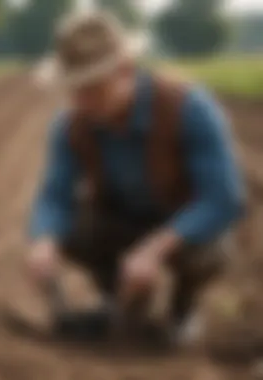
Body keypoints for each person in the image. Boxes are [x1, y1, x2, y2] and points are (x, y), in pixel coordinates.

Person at [26, 11, 246, 347]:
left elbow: (224, 199)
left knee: (209, 247)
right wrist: (44, 240)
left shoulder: (189, 108)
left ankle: (182, 312)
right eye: (75, 89)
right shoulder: (71, 125)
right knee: (69, 228)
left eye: (93, 88)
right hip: (120, 218)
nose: (82, 101)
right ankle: (118, 301)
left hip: (180, 222)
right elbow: (55, 195)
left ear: (125, 70)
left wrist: (155, 249)